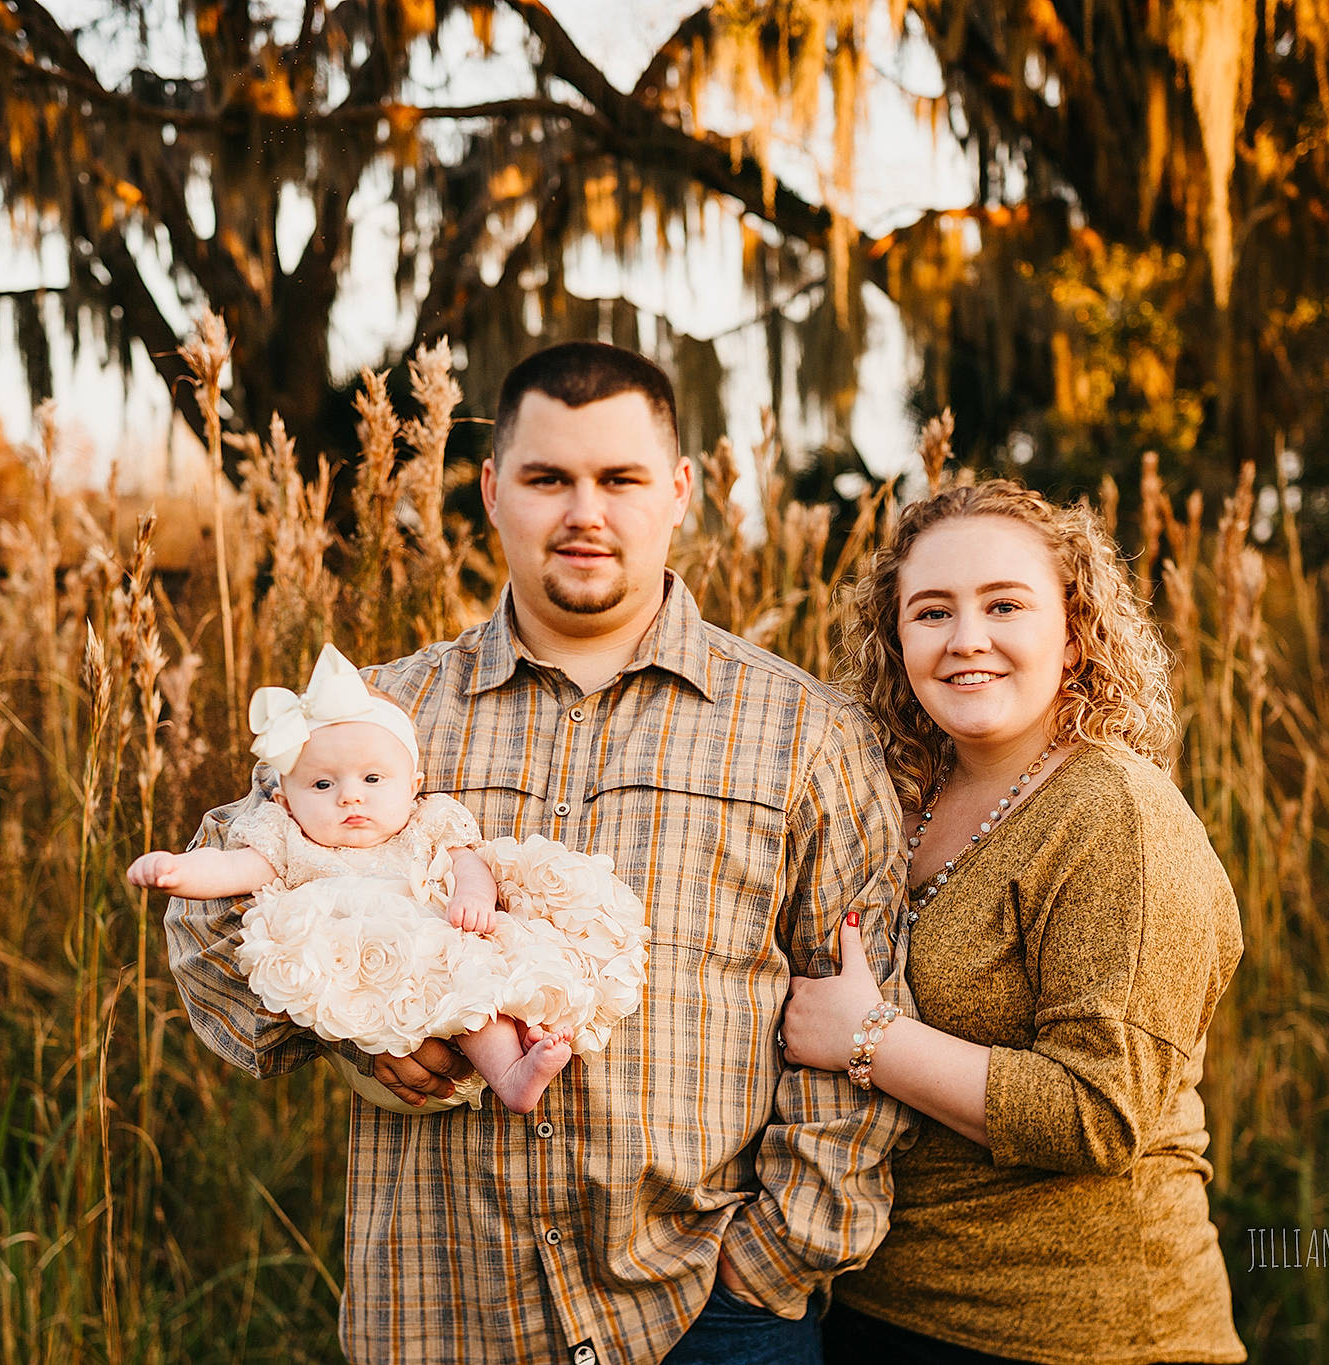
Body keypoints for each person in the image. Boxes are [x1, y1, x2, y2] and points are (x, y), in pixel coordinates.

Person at [167, 341, 916, 1365]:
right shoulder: (383, 719)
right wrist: (352, 1019)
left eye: (618, 479)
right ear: (489, 490)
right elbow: (208, 912)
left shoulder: (802, 733)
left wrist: (773, 1261)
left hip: (706, 1311)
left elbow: (866, 1004)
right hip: (440, 1310)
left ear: (680, 490)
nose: (584, 513)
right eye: (547, 478)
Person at [782, 479, 1247, 1364]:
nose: (967, 640)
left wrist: (868, 1036)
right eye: (931, 612)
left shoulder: (1114, 814)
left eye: (1005, 605)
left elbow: (1100, 1113)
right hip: (881, 1305)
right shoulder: (895, 793)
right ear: (896, 640)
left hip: (1079, 1333)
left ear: (1072, 631)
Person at [129, 643, 648, 1115]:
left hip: (434, 944)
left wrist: (472, 894)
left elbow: (468, 863)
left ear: (413, 786)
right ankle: (509, 1065)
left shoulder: (423, 827)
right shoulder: (292, 841)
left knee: (473, 987)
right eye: (323, 783)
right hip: (364, 977)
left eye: (373, 779)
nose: (350, 796)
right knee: (449, 988)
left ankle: (512, 1072)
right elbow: (232, 869)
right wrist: (176, 871)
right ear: (286, 800)